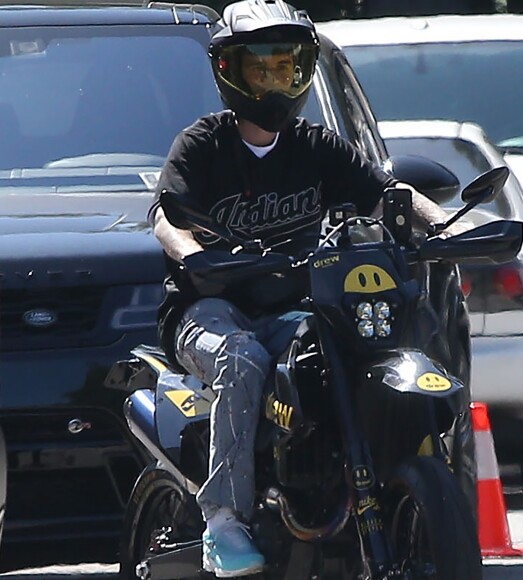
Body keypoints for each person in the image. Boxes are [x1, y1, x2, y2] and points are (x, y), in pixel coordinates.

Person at [148, 0, 469, 576]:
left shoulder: (315, 145)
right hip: (208, 309)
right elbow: (166, 217)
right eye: (261, 69)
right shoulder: (201, 146)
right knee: (242, 358)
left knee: (337, 349)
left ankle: (332, 477)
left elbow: (388, 193)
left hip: (291, 307)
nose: (276, 82)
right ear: (229, 71)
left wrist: (454, 228)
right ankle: (223, 519)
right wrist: (194, 254)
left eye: (287, 68)